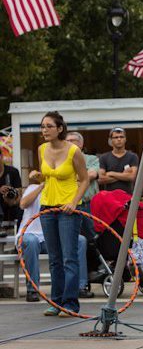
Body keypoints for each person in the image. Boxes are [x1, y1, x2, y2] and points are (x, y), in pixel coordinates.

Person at [30, 111, 88, 316]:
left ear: (60, 128)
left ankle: (70, 303)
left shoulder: (73, 151)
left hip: (68, 209)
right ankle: (56, 302)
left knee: (69, 258)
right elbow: (45, 178)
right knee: (54, 259)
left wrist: (74, 202)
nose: (44, 130)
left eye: (48, 126)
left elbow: (84, 179)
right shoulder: (41, 149)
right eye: (42, 126)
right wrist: (37, 175)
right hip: (47, 207)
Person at [18, 177, 90, 303]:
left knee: (81, 241)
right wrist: (41, 186)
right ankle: (32, 289)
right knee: (31, 242)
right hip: (31, 233)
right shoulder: (33, 187)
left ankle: (81, 286)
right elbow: (23, 204)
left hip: (51, 235)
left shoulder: (65, 189)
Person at [65, 132, 98, 298]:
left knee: (92, 241)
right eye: (68, 140)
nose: (70, 143)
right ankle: (78, 284)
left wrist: (75, 177)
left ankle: (91, 274)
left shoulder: (91, 159)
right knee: (76, 243)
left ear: (81, 144)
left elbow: (91, 175)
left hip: (87, 205)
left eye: (73, 141)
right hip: (70, 206)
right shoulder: (63, 159)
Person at [98, 127, 139, 194]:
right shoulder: (104, 157)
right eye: (116, 137)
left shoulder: (133, 156)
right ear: (111, 140)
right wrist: (124, 175)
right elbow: (101, 179)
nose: (119, 139)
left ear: (125, 139)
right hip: (110, 197)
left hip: (128, 197)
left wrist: (111, 173)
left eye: (121, 137)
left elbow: (132, 177)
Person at [0, 158, 22, 224]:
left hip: (12, 205)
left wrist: (11, 191)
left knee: (21, 208)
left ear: (1, 157)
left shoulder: (13, 171)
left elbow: (19, 194)